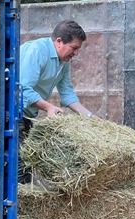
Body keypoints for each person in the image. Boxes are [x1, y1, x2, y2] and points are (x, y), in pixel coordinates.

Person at [18, 20, 98, 183]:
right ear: (59, 42)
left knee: (25, 167)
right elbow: (23, 89)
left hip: (27, 115)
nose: (76, 54)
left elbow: (67, 94)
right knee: (19, 169)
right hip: (9, 113)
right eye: (74, 48)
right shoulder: (36, 51)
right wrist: (48, 107)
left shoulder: (63, 61)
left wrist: (90, 117)